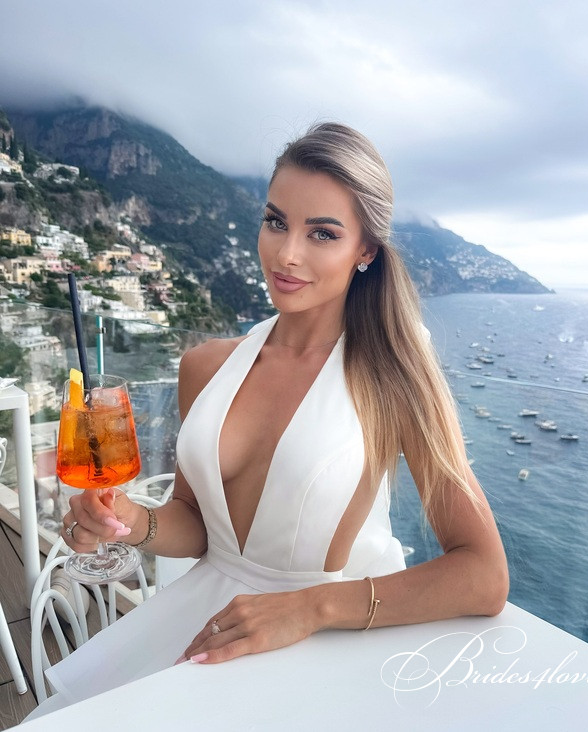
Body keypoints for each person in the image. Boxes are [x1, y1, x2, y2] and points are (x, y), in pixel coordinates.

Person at [27, 122, 508, 717]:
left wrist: (310, 608)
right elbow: (197, 525)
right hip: (206, 621)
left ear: (365, 251)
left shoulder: (395, 376)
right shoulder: (206, 365)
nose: (286, 254)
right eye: (276, 221)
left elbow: (484, 575)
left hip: (325, 646)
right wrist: (132, 521)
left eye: (322, 233)